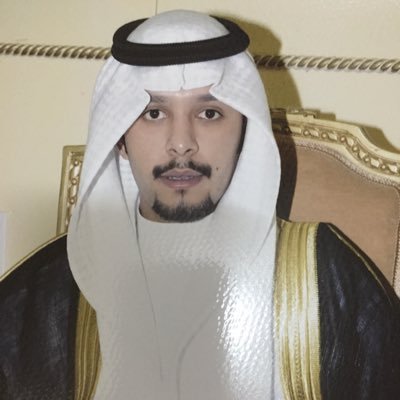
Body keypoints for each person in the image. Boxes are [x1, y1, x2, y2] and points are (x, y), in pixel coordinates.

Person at [0, 9, 399, 400]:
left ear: (244, 131)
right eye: (153, 113)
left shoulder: (323, 277)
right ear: (119, 136)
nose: (181, 143)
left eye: (209, 113)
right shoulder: (46, 295)